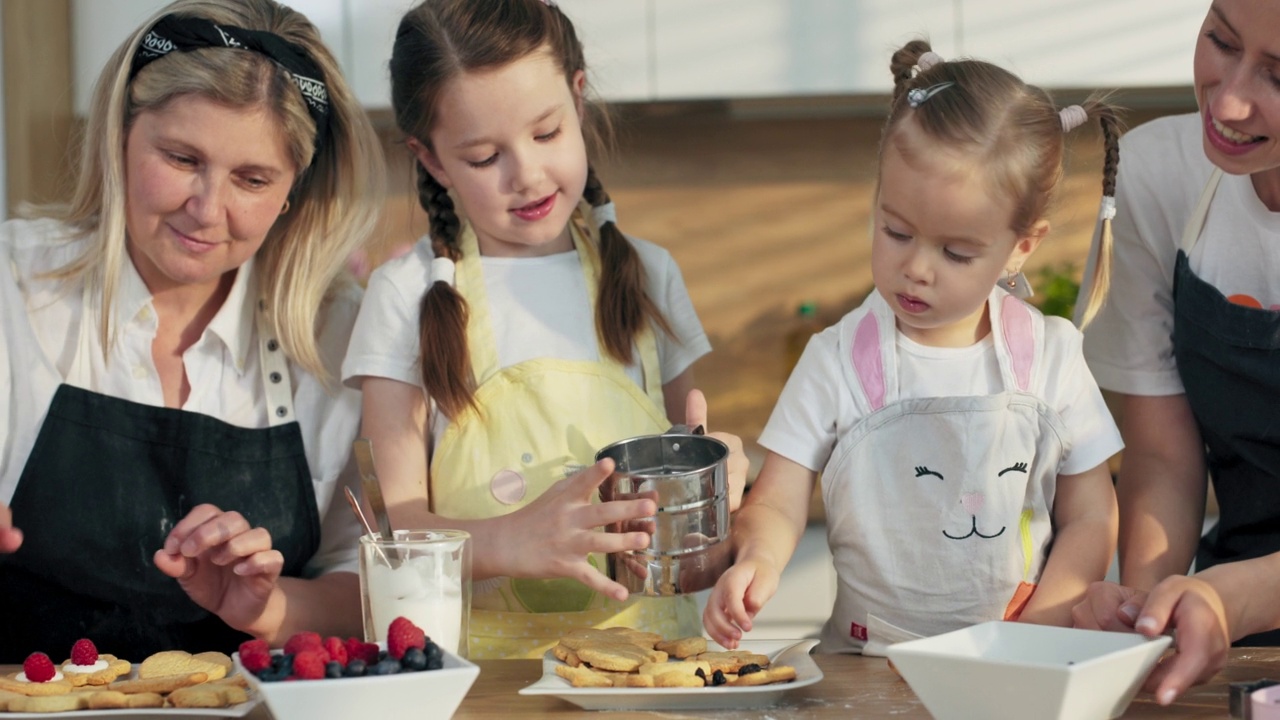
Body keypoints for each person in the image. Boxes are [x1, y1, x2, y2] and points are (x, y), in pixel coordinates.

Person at [341, 0, 746, 660]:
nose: (525, 174)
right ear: (433, 160)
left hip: (646, 671)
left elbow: (688, 478)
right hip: (480, 679)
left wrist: (723, 477)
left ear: (578, 99)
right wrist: (511, 542)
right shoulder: (406, 295)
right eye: (481, 157)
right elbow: (397, 531)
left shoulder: (649, 274)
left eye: (547, 133)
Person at [702, 40, 1125, 655]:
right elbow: (778, 499)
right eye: (895, 231)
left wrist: (1043, 623)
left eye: (955, 252)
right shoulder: (837, 360)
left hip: (1017, 663)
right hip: (866, 669)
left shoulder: (1051, 357)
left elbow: (1092, 515)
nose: (916, 269)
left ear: (1021, 247)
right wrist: (758, 562)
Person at [0, 0, 386, 662]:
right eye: (181, 158)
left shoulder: (338, 338)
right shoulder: (13, 285)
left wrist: (267, 605)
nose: (207, 210)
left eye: (252, 179)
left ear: (294, 189)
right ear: (120, 133)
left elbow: (370, 588)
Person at [1070, 0, 1280, 705]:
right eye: (1221, 41)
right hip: (1237, 636)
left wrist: (1234, 599)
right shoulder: (1161, 177)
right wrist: (1146, 608)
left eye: (1279, 77)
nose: (1230, 100)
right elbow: (1163, 454)